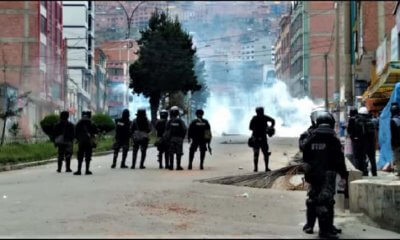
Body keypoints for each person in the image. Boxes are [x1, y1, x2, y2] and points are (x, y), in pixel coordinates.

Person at [302, 111, 348, 239]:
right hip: (328, 175)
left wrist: (308, 173)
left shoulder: (310, 138)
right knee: (326, 202)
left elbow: (305, 156)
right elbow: (340, 160)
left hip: (314, 175)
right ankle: (324, 231)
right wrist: (343, 175)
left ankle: (312, 226)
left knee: (313, 200)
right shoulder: (333, 140)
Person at [348, 107, 377, 176]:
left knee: (361, 157)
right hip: (371, 142)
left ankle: (363, 172)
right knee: (372, 158)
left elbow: (350, 132)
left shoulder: (356, 120)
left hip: (361, 142)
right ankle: (374, 173)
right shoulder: (371, 121)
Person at [249, 107, 275, 172]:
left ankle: (255, 168)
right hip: (263, 138)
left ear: (256, 112)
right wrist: (270, 127)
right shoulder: (264, 117)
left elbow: (250, 128)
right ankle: (266, 168)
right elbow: (273, 120)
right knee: (265, 153)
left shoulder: (254, 118)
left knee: (256, 154)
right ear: (262, 111)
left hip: (255, 138)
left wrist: (256, 129)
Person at [74, 111, 98, 175]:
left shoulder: (79, 123)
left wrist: (78, 138)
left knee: (80, 156)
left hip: (81, 142)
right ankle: (87, 170)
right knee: (88, 156)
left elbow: (75, 132)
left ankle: (79, 171)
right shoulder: (91, 123)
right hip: (89, 142)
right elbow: (96, 132)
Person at [165, 106, 187, 170]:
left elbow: (166, 130)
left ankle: (171, 166)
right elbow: (185, 129)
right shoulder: (180, 121)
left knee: (171, 152)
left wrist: (167, 138)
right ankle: (178, 166)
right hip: (179, 139)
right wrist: (182, 137)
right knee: (179, 153)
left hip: (171, 139)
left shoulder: (169, 121)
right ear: (177, 113)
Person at [390, 102, 400, 177]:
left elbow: (392, 134)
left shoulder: (392, 121)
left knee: (397, 157)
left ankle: (399, 171)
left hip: (396, 143)